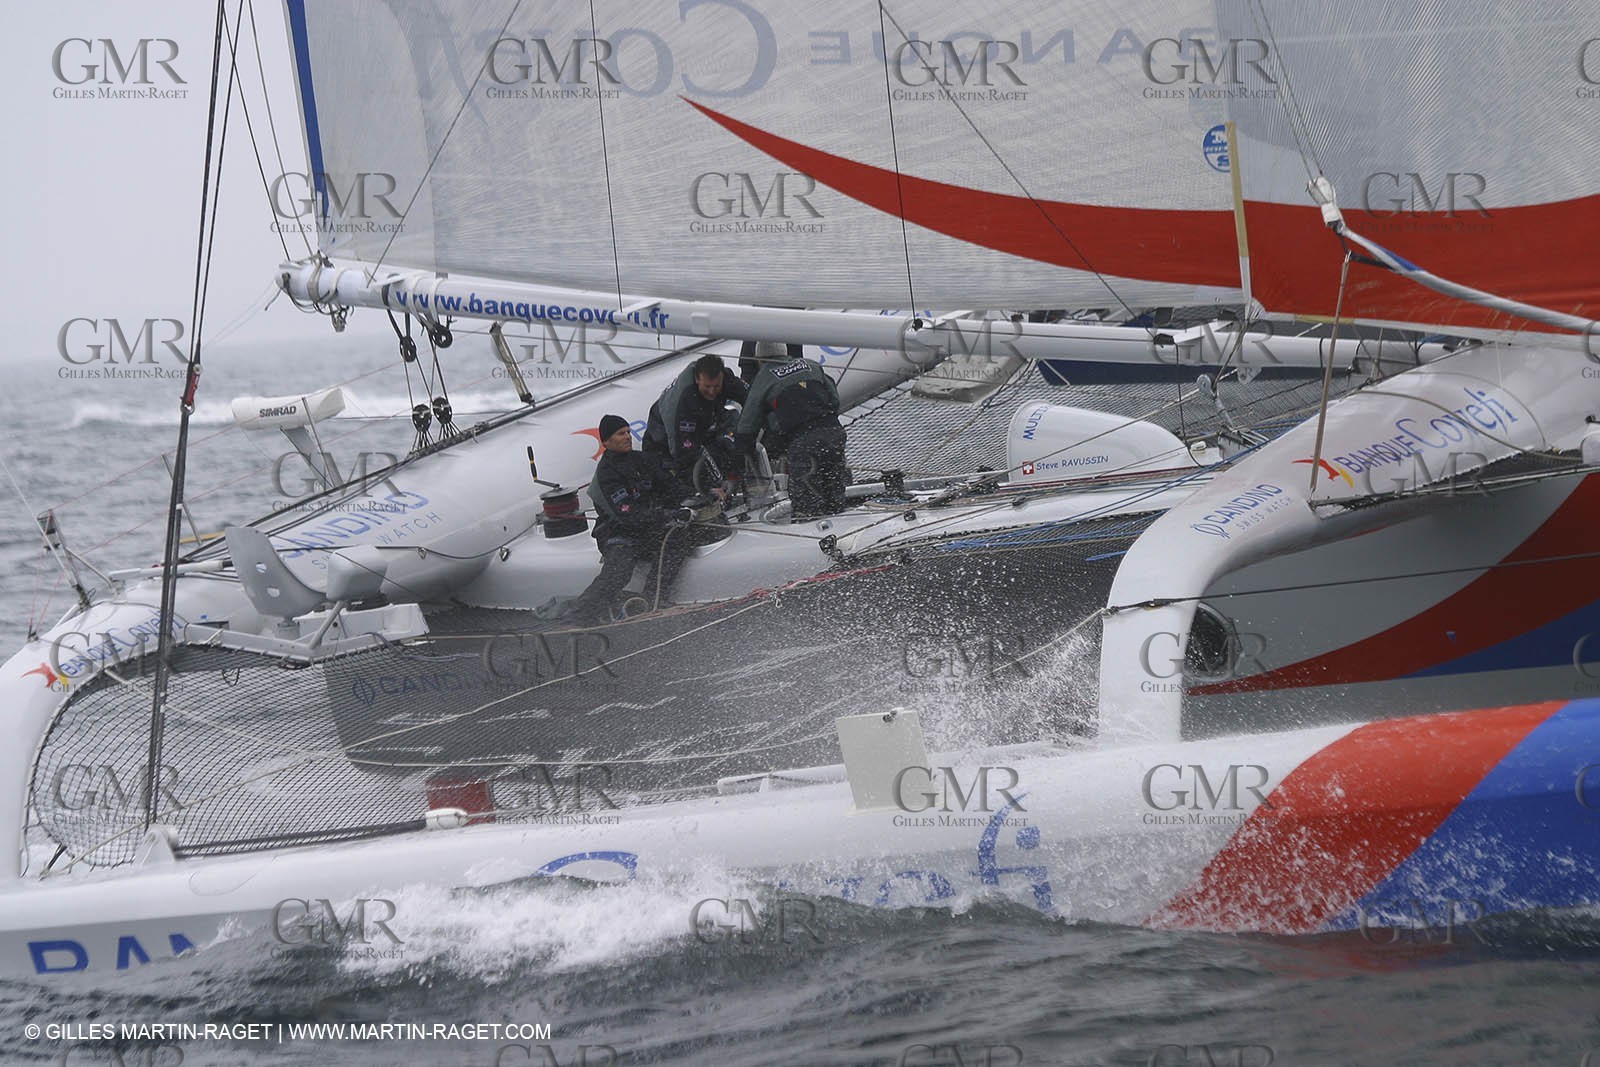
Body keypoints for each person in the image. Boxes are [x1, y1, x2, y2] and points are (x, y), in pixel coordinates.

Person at [566, 414, 697, 623]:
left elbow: (669, 486)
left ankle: (653, 598)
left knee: (678, 539)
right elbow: (628, 513)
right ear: (606, 441)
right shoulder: (606, 473)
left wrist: (695, 497)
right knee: (620, 571)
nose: (627, 436)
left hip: (646, 528)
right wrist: (668, 514)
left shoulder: (642, 460)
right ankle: (579, 616)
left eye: (628, 432)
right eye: (621, 434)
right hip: (618, 532)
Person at [734, 343, 848, 517]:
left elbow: (748, 422)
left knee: (807, 501)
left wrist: (743, 450)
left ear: (759, 360)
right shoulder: (811, 364)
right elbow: (834, 397)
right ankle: (838, 516)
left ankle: (810, 524)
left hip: (804, 442)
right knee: (834, 488)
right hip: (834, 433)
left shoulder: (763, 377)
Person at [643, 354, 748, 486]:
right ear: (697, 379)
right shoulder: (685, 401)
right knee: (688, 472)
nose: (712, 391)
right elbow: (683, 450)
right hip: (663, 441)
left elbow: (751, 399)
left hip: (703, 422)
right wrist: (712, 485)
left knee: (730, 433)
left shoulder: (726, 378)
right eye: (707, 387)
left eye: (716, 386)